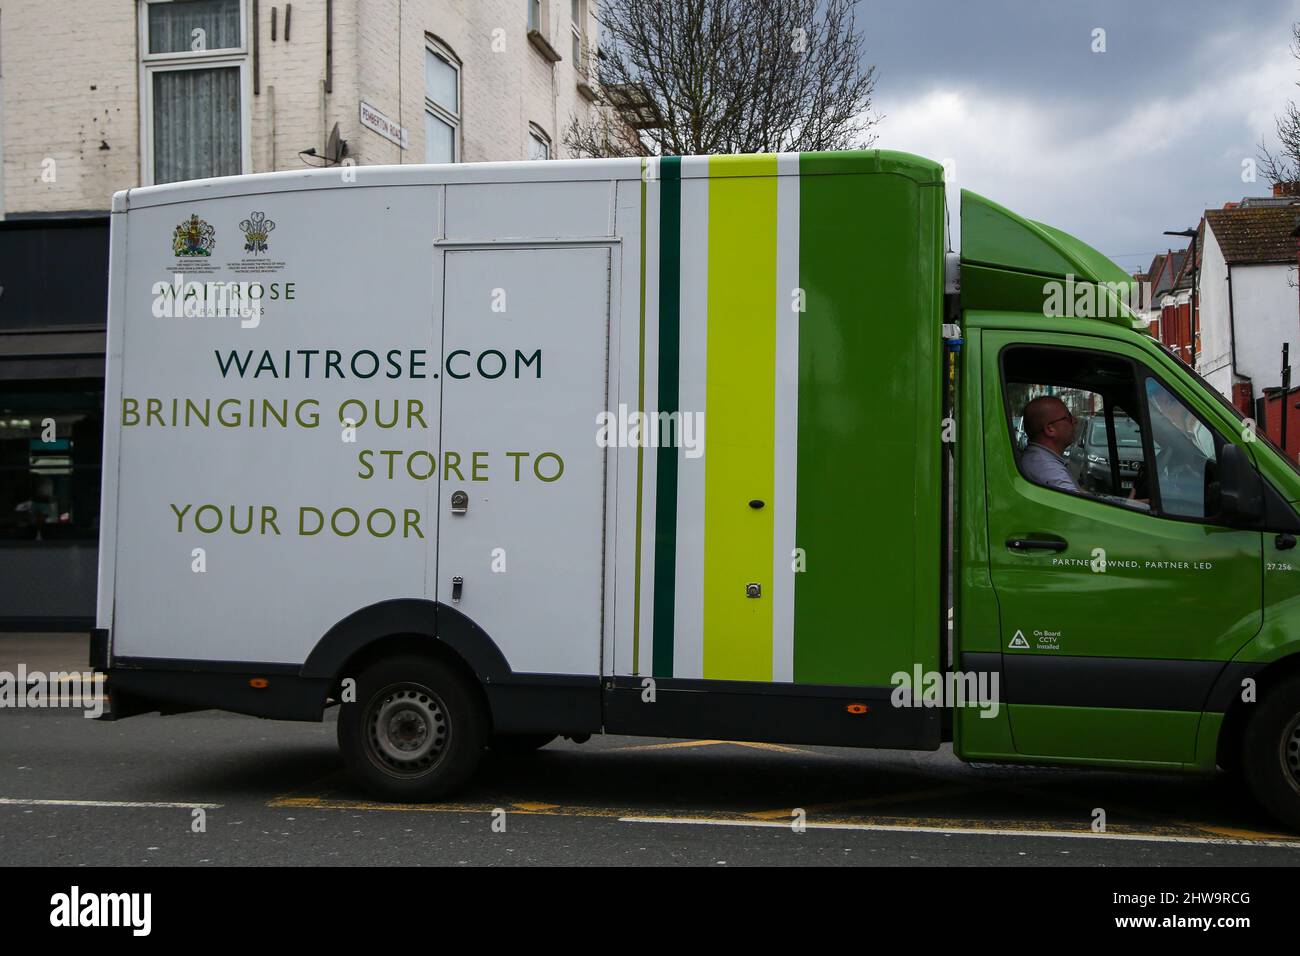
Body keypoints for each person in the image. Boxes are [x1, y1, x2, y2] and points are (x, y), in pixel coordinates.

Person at [1019, 396, 1079, 492]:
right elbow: (1078, 505)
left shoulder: (1038, 460)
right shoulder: (1048, 469)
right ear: (1050, 429)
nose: (1075, 420)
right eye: (1068, 418)